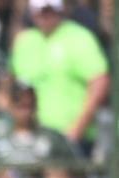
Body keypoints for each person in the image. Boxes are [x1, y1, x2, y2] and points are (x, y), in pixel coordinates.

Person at [10, 0, 109, 150]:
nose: (45, 16)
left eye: (50, 10)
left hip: (71, 138)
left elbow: (100, 82)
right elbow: (11, 85)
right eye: (40, 11)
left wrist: (77, 130)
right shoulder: (25, 41)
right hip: (31, 138)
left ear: (60, 10)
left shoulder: (79, 38)